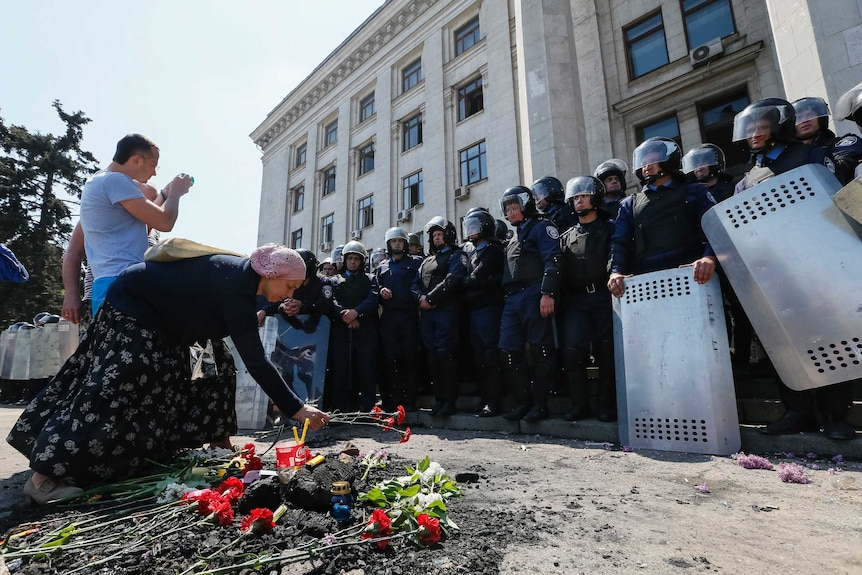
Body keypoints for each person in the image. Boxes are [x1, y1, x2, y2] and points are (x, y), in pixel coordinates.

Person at [7, 244, 330, 504]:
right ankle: (45, 479)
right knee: (121, 386)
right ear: (271, 272)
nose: (288, 295)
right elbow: (257, 361)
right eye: (288, 286)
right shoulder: (238, 289)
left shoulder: (242, 281)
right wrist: (297, 409)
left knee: (205, 371)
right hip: (133, 313)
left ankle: (204, 447)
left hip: (171, 328)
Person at [732, 98, 855, 440]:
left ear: (779, 125)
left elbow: (834, 197)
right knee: (782, 343)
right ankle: (796, 411)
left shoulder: (809, 156)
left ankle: (835, 416)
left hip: (816, 262)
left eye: (762, 126)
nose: (754, 134)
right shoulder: (747, 178)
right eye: (750, 128)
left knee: (832, 336)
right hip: (774, 272)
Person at [79, 134, 193, 315]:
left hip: (106, 284)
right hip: (125, 283)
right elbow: (165, 222)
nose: (154, 172)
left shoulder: (98, 180)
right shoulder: (115, 180)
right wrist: (176, 194)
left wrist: (164, 194)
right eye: (153, 165)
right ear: (137, 160)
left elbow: (143, 224)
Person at [608, 137, 718, 298]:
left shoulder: (694, 191)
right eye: (644, 161)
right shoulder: (629, 204)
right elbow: (619, 243)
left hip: (693, 274)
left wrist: (709, 258)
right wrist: (615, 272)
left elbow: (715, 227)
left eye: (653, 160)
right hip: (648, 280)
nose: (647, 165)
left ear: (668, 161)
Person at [682, 144, 752, 372]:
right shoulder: (689, 194)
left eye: (704, 162)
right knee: (714, 310)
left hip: (733, 255)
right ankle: (724, 360)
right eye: (695, 164)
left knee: (741, 309)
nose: (699, 168)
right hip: (703, 257)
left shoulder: (731, 188)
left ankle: (743, 358)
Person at [498, 186, 562, 422]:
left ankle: (540, 405)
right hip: (512, 299)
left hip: (535, 292)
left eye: (514, 207)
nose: (511, 211)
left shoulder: (542, 226)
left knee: (541, 349)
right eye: (507, 208)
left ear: (526, 205)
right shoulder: (513, 238)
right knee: (508, 350)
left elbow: (553, 258)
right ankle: (523, 402)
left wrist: (548, 292)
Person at [62, 180, 166, 325]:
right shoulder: (99, 213)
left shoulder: (155, 228)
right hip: (100, 299)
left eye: (153, 200)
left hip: (141, 300)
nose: (150, 205)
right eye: (145, 199)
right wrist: (71, 294)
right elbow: (73, 252)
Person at [559, 176, 616, 422]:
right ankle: (578, 405)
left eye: (583, 196)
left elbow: (617, 255)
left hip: (605, 297)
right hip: (577, 301)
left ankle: (605, 406)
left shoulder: (610, 228)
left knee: (607, 351)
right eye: (575, 198)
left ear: (595, 198)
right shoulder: (566, 236)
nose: (579, 201)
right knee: (572, 352)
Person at [411, 216, 467, 416]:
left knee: (445, 355)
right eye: (434, 235)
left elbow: (454, 278)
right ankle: (439, 400)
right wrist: (420, 298)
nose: (436, 238)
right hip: (427, 315)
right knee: (432, 357)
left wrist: (432, 299)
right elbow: (415, 284)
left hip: (445, 311)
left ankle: (449, 401)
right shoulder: (426, 261)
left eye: (439, 234)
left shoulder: (456, 255)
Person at [460, 209, 505, 417]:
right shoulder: (473, 251)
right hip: (475, 309)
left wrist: (466, 283)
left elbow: (476, 277)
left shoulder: (493, 249)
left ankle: (494, 401)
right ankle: (485, 398)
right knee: (479, 356)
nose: (471, 231)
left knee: (490, 354)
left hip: (489, 308)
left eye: (475, 226)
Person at [327, 241, 378, 411]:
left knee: (366, 368)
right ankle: (341, 408)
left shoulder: (370, 279)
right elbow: (331, 300)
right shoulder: (334, 280)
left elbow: (372, 299)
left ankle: (367, 408)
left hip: (364, 330)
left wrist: (356, 313)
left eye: (356, 258)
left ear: (362, 261)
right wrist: (345, 315)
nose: (353, 262)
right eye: (350, 258)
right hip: (341, 331)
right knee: (341, 368)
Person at [375, 227, 423, 411]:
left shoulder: (416, 263)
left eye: (400, 241)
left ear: (405, 244)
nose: (397, 243)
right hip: (389, 318)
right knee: (391, 359)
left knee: (409, 358)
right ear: (389, 244)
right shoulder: (382, 267)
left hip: (409, 316)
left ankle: (410, 401)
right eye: (393, 241)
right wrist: (381, 291)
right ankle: (394, 401)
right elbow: (375, 291)